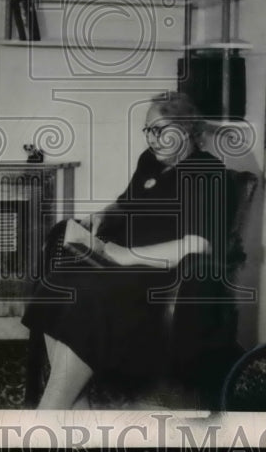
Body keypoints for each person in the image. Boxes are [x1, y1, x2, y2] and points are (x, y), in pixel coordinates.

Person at [21, 91, 233, 409]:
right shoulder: (149, 162)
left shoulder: (207, 171)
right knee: (60, 277)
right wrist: (103, 215)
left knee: (86, 290)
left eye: (159, 130)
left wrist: (123, 255)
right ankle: (77, 409)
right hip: (121, 262)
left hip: (163, 276)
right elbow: (126, 203)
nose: (151, 139)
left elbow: (199, 244)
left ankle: (51, 413)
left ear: (187, 130)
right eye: (147, 130)